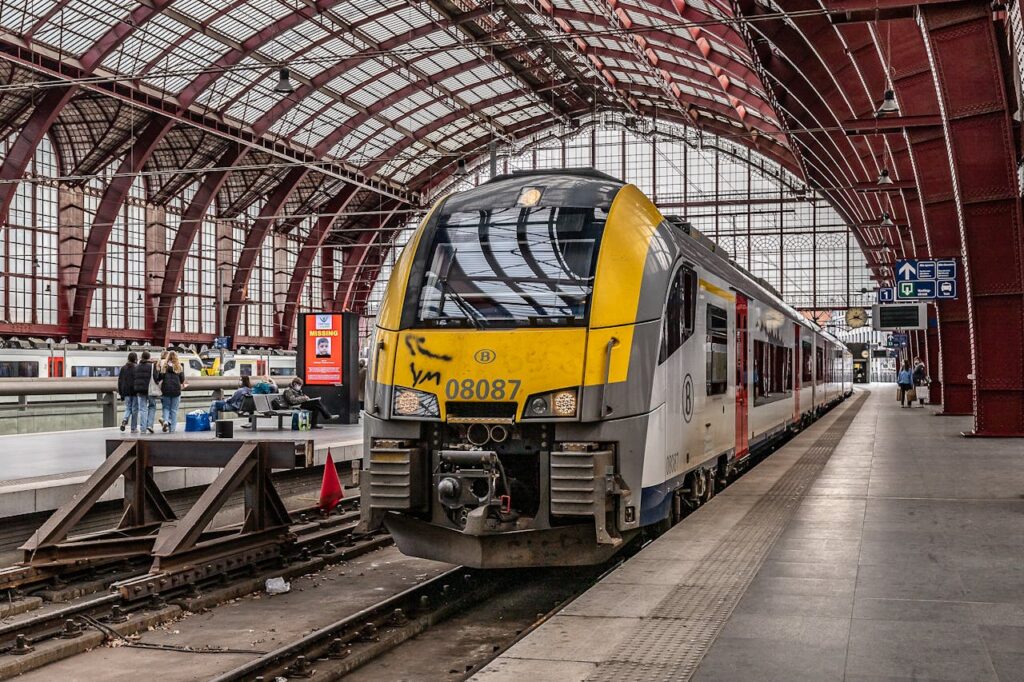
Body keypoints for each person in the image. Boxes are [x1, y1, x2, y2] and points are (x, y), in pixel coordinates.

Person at [155, 351, 186, 432]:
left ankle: (165, 421)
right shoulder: (179, 366)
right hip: (176, 390)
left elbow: (159, 377)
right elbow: (182, 379)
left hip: (166, 389)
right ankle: (172, 429)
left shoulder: (164, 366)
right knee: (174, 410)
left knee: (166, 408)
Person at [133, 350, 158, 433]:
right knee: (152, 406)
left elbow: (135, 378)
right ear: (149, 358)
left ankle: (143, 429)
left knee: (143, 409)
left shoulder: (136, 367)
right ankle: (150, 425)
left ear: (141, 357)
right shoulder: (152, 366)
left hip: (140, 390)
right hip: (150, 390)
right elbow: (156, 377)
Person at [118, 352, 139, 433]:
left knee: (128, 408)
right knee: (134, 410)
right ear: (135, 359)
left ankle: (125, 419)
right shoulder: (137, 367)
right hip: (135, 391)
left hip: (126, 391)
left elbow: (120, 381)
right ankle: (133, 428)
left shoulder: (123, 368)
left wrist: (121, 393)